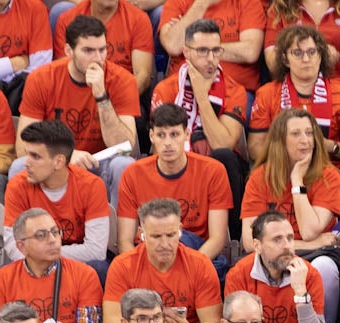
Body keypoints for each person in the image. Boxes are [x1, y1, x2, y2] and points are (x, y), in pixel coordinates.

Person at [17, 16, 140, 206]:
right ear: (69, 50)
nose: (98, 58)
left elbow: (125, 146)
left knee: (123, 165)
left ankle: (119, 234)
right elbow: (22, 147)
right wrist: (65, 155)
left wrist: (101, 96)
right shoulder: (41, 79)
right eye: (88, 50)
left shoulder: (122, 80)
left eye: (102, 50)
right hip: (56, 161)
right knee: (19, 167)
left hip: (101, 163)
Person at [239, 110, 340, 323]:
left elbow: (308, 229)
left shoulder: (328, 175)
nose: (305, 140)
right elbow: (250, 242)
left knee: (324, 266)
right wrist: (313, 243)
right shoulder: (260, 178)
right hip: (275, 256)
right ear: (280, 140)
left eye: (309, 133)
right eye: (296, 134)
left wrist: (297, 181)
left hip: (315, 257)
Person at [101, 205, 224, 323]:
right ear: (141, 234)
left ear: (180, 230)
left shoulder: (200, 264)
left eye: (171, 235)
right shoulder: (123, 265)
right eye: (156, 237)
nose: (165, 244)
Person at [115, 103, 233, 262]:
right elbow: (125, 241)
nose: (168, 143)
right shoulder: (132, 174)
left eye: (175, 134)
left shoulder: (213, 171)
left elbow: (217, 239)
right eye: (161, 135)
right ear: (151, 136)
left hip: (196, 252)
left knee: (184, 241)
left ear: (187, 134)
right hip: (148, 252)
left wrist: (187, 269)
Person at [250, 26, 340, 178]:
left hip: (330, 171)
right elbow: (254, 146)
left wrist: (330, 146)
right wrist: (284, 157)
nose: (306, 59)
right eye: (297, 53)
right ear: (285, 59)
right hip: (282, 172)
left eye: (312, 52)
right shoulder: (266, 94)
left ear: (320, 56)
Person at [220, 220, 327, 323]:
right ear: (257, 245)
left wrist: (300, 292)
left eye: (290, 238)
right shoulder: (239, 275)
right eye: (277, 240)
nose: (287, 246)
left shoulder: (308, 274)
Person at [150, 20, 248, 197]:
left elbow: (222, 145)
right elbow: (161, 148)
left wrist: (202, 97)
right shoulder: (165, 89)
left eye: (216, 50)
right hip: (176, 164)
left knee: (226, 157)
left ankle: (231, 226)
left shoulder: (235, 90)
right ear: (186, 52)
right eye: (202, 51)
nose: (211, 59)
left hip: (217, 168)